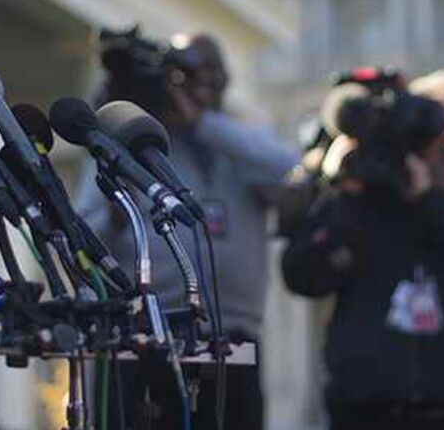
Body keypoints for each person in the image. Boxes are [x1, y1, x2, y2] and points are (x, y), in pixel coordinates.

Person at [282, 69, 444, 430]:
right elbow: (301, 275)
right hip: (363, 417)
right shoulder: (366, 208)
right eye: (441, 126)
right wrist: (347, 191)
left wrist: (425, 199)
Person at [76, 31, 299, 430]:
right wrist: (116, 202)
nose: (204, 82)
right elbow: (83, 237)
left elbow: (289, 171)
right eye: (192, 73)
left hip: (230, 338)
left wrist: (202, 123)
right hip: (143, 336)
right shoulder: (130, 142)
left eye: (213, 70)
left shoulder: (237, 138)